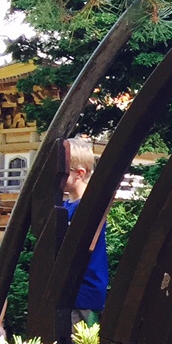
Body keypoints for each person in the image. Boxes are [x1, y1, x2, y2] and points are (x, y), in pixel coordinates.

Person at [61, 137, 110, 326]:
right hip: (68, 292)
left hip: (84, 294)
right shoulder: (65, 206)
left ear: (79, 173)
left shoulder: (89, 207)